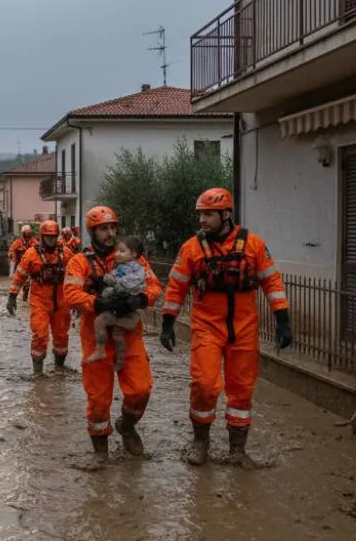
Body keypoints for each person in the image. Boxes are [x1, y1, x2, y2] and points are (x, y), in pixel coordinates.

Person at [159, 187, 293, 469]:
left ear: (227, 214)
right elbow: (176, 287)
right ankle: (200, 442)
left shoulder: (253, 245)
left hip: (244, 328)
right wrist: (168, 322)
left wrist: (282, 319)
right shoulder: (191, 248)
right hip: (207, 326)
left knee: (241, 389)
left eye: (209, 214)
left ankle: (237, 449)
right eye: (200, 214)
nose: (202, 220)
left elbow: (272, 282)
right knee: (205, 385)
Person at [64, 206, 162, 459]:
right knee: (98, 398)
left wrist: (140, 299)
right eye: (103, 229)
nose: (109, 233)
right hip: (95, 333)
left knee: (140, 389)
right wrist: (97, 303)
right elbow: (70, 294)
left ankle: (127, 426)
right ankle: (101, 454)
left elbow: (154, 286)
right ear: (92, 232)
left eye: (112, 228)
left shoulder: (132, 257)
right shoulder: (79, 262)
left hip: (129, 333)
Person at [7, 220, 72, 374]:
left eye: (53, 237)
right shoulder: (32, 254)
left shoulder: (65, 253)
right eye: (48, 237)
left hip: (61, 300)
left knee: (62, 335)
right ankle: (38, 373)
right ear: (42, 237)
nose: (51, 240)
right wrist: (12, 296)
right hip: (40, 300)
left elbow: (77, 273)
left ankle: (60, 369)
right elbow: (20, 276)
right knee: (40, 335)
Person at [83, 236, 147, 371]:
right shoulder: (121, 266)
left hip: (129, 312)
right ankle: (118, 359)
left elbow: (133, 284)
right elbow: (113, 278)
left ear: (133, 254)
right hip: (119, 308)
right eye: (117, 250)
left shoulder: (138, 268)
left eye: (122, 251)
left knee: (102, 323)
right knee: (116, 332)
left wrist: (115, 285)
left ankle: (102, 351)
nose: (117, 254)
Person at [9, 224, 37, 302]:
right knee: (18, 282)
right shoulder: (17, 243)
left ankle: (25, 298)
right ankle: (23, 298)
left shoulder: (35, 242)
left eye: (29, 234)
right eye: (26, 234)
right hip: (20, 266)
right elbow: (11, 251)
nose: (27, 236)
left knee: (28, 284)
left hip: (31, 267)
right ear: (23, 234)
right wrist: (12, 256)